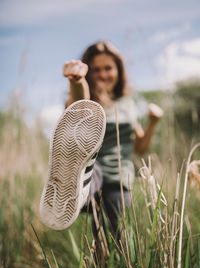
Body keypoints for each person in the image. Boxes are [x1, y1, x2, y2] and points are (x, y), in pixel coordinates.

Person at [40, 40, 163, 236]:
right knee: (90, 170)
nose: (102, 74)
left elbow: (139, 147)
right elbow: (79, 105)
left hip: (120, 179)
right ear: (89, 73)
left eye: (108, 68)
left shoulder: (128, 104)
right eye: (96, 69)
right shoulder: (89, 102)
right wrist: (76, 80)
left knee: (115, 243)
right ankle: (74, 190)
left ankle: (74, 194)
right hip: (92, 172)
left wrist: (152, 123)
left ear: (118, 71)